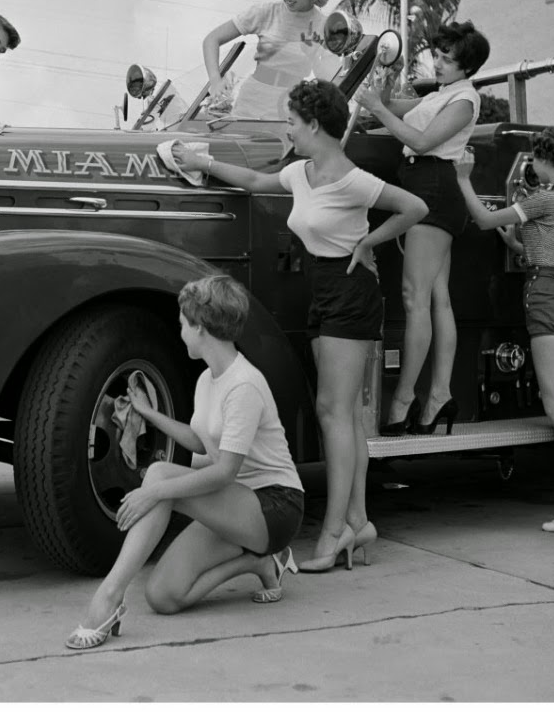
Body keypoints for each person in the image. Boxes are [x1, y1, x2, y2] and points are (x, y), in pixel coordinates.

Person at [177, 81, 427, 572]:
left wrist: (367, 242)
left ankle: (334, 532)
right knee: (345, 413)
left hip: (350, 293)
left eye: (291, 120)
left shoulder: (352, 179)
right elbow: (252, 182)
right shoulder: (301, 172)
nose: (287, 128)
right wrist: (201, 162)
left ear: (314, 125)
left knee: (333, 411)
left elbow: (414, 208)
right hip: (323, 289)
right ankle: (357, 521)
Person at [66, 275, 305, 650]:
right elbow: (200, 440)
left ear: (202, 328)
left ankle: (109, 596)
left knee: (160, 476)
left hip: (274, 504)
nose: (180, 332)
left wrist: (156, 492)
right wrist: (149, 413)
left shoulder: (244, 385)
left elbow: (224, 470)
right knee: (163, 596)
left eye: (182, 324)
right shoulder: (208, 380)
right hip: (235, 504)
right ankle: (260, 563)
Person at [457, 128, 554, 541]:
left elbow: (484, 218)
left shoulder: (545, 197)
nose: (533, 168)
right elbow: (553, 252)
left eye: (535, 161)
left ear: (545, 161)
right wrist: (519, 243)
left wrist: (462, 179)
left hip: (545, 302)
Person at [353, 20, 490, 435]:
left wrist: (376, 108)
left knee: (415, 299)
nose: (440, 63)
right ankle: (439, 395)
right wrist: (380, 93)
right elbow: (396, 109)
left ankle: (404, 399)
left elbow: (422, 141)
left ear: (467, 66)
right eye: (440, 55)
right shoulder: (445, 93)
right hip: (428, 186)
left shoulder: (465, 99)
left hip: (431, 185)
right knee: (436, 298)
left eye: (448, 59)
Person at [203, 0, 331, 121]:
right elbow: (211, 40)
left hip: (290, 104)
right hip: (250, 99)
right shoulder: (265, 12)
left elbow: (329, 78)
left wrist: (312, 54)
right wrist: (215, 80)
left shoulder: (325, 25)